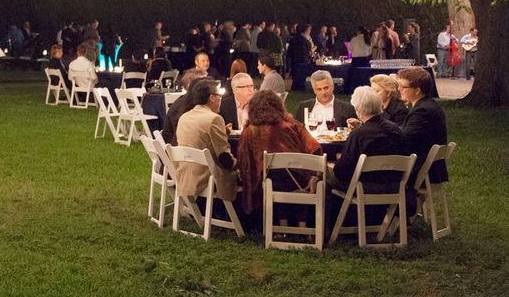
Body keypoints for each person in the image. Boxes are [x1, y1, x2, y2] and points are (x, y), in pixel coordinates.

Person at [236, 89, 320, 222]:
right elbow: (315, 149)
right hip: (299, 180)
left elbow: (244, 160)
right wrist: (314, 175)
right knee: (287, 178)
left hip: (265, 182)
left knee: (275, 180)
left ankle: (280, 225)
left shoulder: (249, 131)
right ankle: (303, 224)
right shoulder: (292, 126)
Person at [172, 79, 238, 204]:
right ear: (212, 97)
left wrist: (224, 133)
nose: (221, 99)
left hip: (186, 175)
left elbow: (200, 139)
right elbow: (225, 158)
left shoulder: (184, 117)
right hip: (206, 177)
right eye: (220, 96)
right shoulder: (214, 119)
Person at [330, 86, 407, 193]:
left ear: (358, 109)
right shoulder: (395, 129)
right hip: (394, 186)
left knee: (328, 180)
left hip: (364, 187)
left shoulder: (358, 134)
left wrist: (339, 159)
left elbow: (342, 172)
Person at [397, 66, 448, 187]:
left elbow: (404, 140)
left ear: (417, 90)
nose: (399, 89)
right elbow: (407, 131)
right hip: (429, 168)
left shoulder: (423, 111)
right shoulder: (428, 105)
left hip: (422, 172)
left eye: (403, 87)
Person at [161, 68, 209, 145]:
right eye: (204, 83)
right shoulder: (185, 106)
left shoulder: (188, 101)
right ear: (191, 85)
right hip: (178, 149)